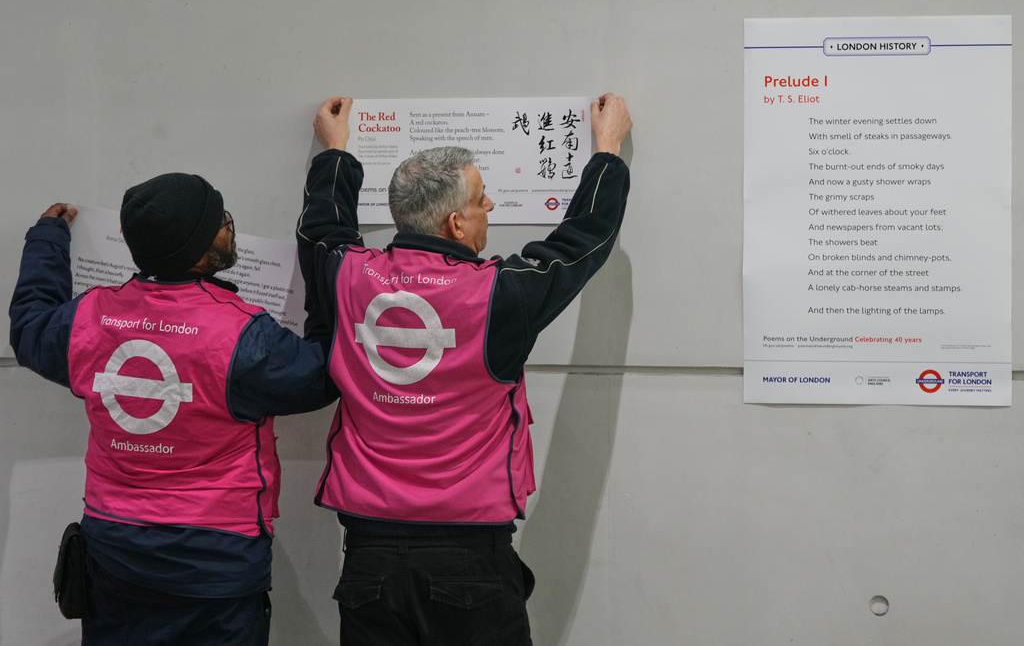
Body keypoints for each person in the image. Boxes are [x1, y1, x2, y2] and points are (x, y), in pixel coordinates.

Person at [297, 93, 632, 645]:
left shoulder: (345, 277)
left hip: (367, 557)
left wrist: (335, 151)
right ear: (456, 223)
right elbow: (582, 241)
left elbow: (321, 229)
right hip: (469, 555)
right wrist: (607, 150)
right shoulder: (499, 294)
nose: (491, 208)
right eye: (482, 200)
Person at [9, 174, 338, 645]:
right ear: (202, 252)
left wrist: (46, 240)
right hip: (216, 566)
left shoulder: (88, 316)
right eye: (222, 222)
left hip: (114, 556)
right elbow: (321, 376)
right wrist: (322, 304)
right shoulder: (244, 333)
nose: (229, 228)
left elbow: (29, 329)